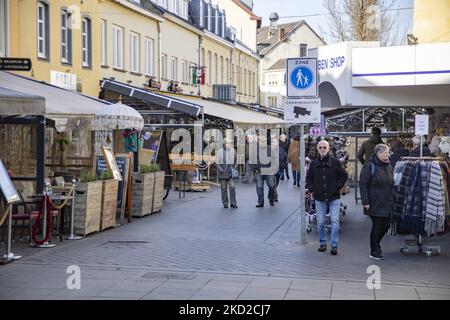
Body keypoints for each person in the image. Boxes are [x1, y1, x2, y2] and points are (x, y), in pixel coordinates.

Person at [306, 140, 348, 255]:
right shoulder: (314, 163)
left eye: (325, 147)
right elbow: (309, 178)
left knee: (334, 220)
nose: (323, 149)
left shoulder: (335, 162)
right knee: (320, 222)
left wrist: (337, 186)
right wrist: (312, 188)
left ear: (328, 148)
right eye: (320, 147)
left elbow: (344, 175)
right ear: (317, 149)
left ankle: (334, 245)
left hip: (333, 196)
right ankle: (322, 242)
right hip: (319, 197)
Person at [359, 144, 395, 260]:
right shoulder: (369, 166)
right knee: (377, 225)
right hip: (374, 201)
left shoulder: (388, 165)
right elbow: (363, 184)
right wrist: (365, 201)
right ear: (378, 154)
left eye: (388, 152)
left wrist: (394, 197)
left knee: (386, 224)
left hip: (387, 200)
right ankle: (374, 250)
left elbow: (391, 182)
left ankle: (376, 244)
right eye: (384, 153)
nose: (387, 155)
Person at [252, 134, 276, 207]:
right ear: (259, 142)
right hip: (259, 171)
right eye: (262, 141)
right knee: (259, 186)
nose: (264, 142)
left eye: (265, 141)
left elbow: (274, 159)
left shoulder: (270, 149)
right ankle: (260, 202)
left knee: (272, 185)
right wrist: (255, 170)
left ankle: (271, 198)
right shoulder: (255, 149)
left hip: (269, 171)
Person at [216, 138, 238, 209]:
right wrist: (221, 170)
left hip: (230, 173)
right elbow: (217, 163)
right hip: (222, 173)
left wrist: (234, 168)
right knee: (224, 188)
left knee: (232, 187)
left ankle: (233, 203)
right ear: (225, 144)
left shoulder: (233, 151)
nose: (230, 144)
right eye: (229, 143)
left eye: (231, 143)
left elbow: (236, 160)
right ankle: (225, 203)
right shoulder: (220, 151)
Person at [273, 136, 287, 202]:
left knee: (276, 183)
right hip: (271, 170)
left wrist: (283, 165)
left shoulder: (281, 149)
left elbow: (285, 158)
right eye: (273, 142)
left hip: (279, 169)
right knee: (272, 183)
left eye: (275, 142)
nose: (274, 143)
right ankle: (275, 195)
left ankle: (273, 193)